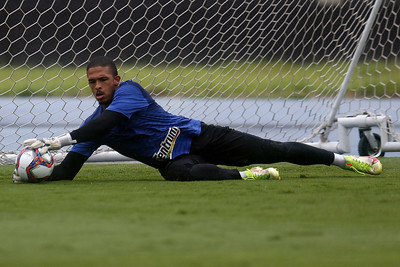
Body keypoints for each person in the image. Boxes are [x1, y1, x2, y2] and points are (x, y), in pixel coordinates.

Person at [13, 56, 382, 183]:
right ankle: (248, 176)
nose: (96, 86)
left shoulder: (131, 93)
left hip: (205, 138)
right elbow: (68, 172)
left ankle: (350, 161)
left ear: (116, 80)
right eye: (91, 82)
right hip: (179, 159)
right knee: (176, 174)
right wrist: (29, 171)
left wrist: (58, 140)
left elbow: (100, 126)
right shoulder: (95, 122)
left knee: (278, 148)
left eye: (102, 80)